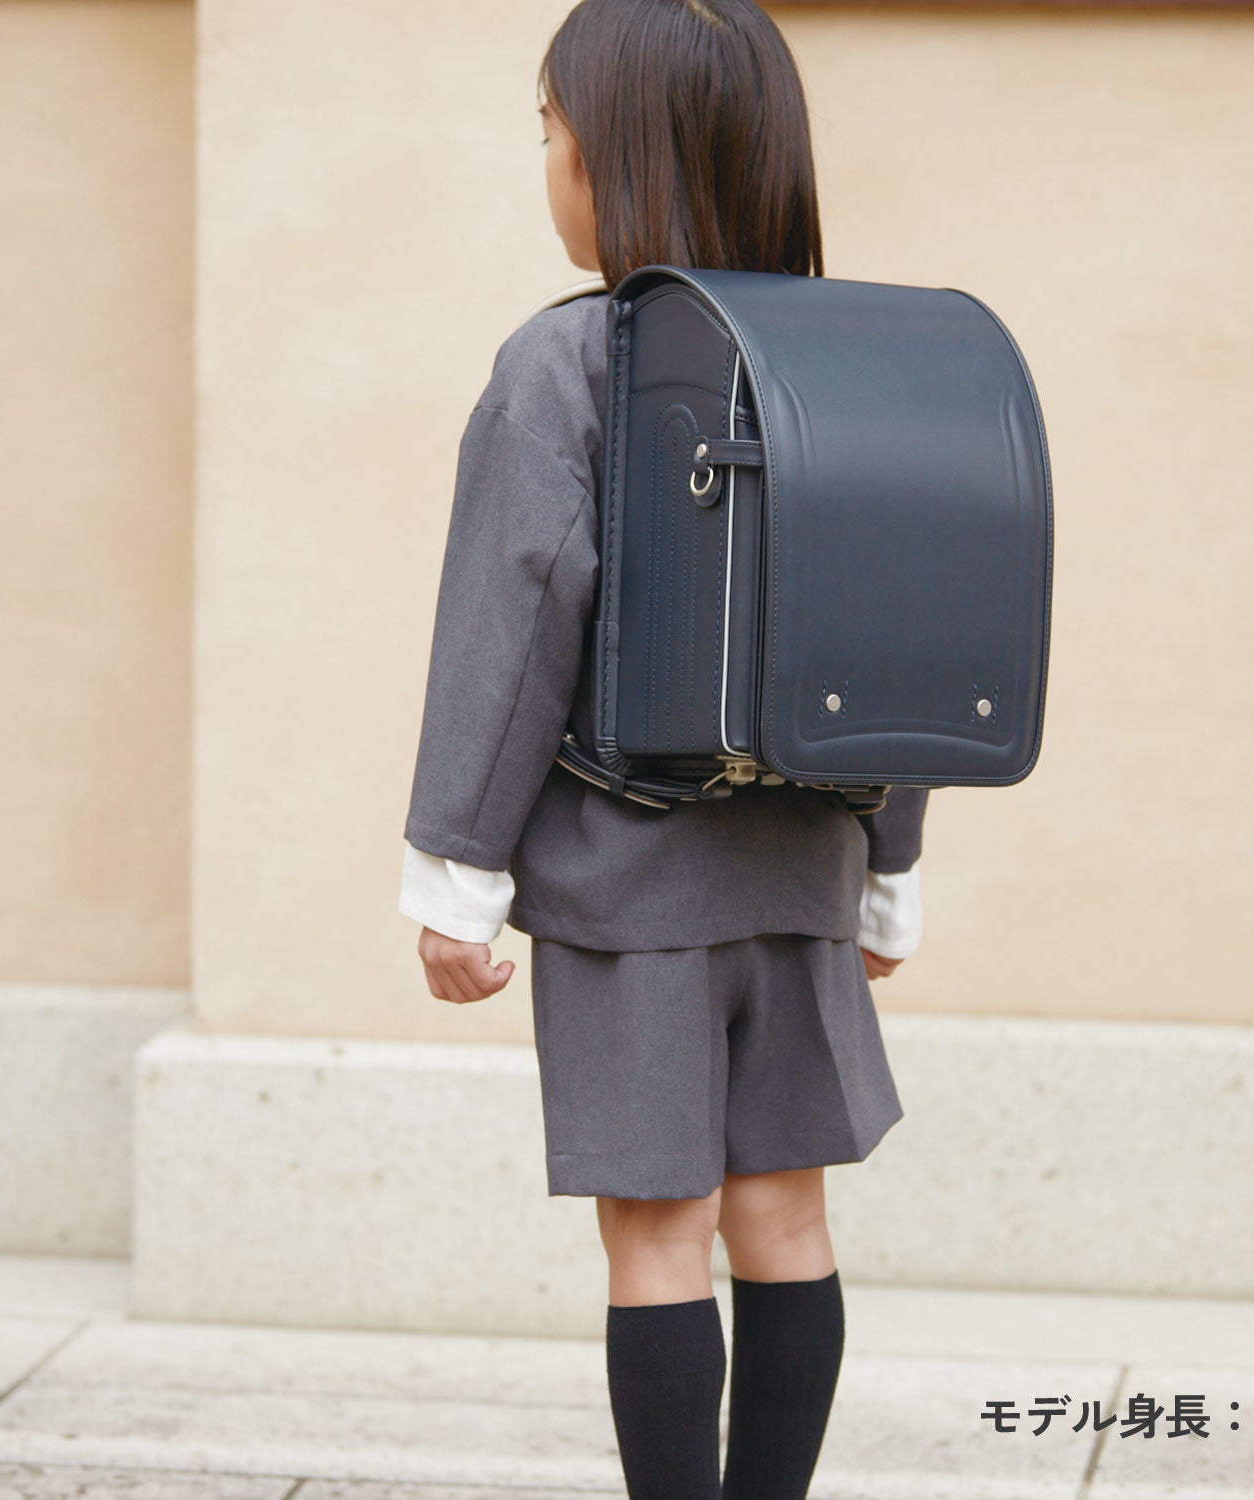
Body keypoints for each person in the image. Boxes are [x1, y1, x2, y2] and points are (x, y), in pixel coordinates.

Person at [397, 3, 929, 1495]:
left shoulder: (568, 363)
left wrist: (455, 873)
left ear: (610, 163)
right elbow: (903, 626)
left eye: (551, 134)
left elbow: (512, 625)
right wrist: (888, 868)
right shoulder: (855, 360)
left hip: (631, 887)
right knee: (787, 1219)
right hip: (807, 868)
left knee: (655, 1234)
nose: (548, 164)